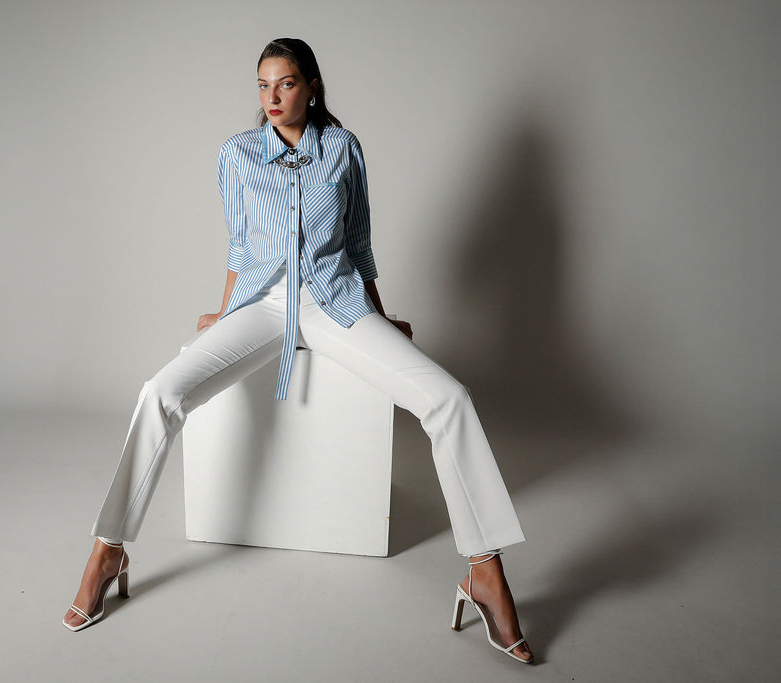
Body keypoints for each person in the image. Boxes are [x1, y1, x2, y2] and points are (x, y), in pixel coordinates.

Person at [62, 37, 533, 664]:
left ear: (311, 85)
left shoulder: (343, 147)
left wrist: (379, 314)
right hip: (261, 306)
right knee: (160, 393)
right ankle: (108, 551)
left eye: (285, 83)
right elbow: (239, 245)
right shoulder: (236, 154)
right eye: (262, 85)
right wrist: (224, 312)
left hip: (333, 302)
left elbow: (359, 244)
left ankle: (485, 571)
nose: (272, 97)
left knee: (449, 398)